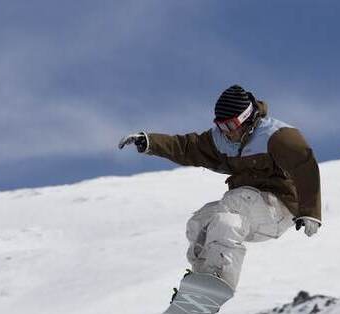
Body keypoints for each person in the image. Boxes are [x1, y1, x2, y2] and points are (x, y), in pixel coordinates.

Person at [118, 84, 321, 293]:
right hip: (249, 211)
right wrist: (149, 141)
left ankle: (219, 281)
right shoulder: (220, 139)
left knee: (231, 209)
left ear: (246, 118)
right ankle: (201, 287)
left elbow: (305, 165)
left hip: (279, 207)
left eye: (230, 125)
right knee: (200, 222)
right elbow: (187, 147)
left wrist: (310, 213)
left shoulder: (276, 135)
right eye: (221, 126)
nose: (226, 133)